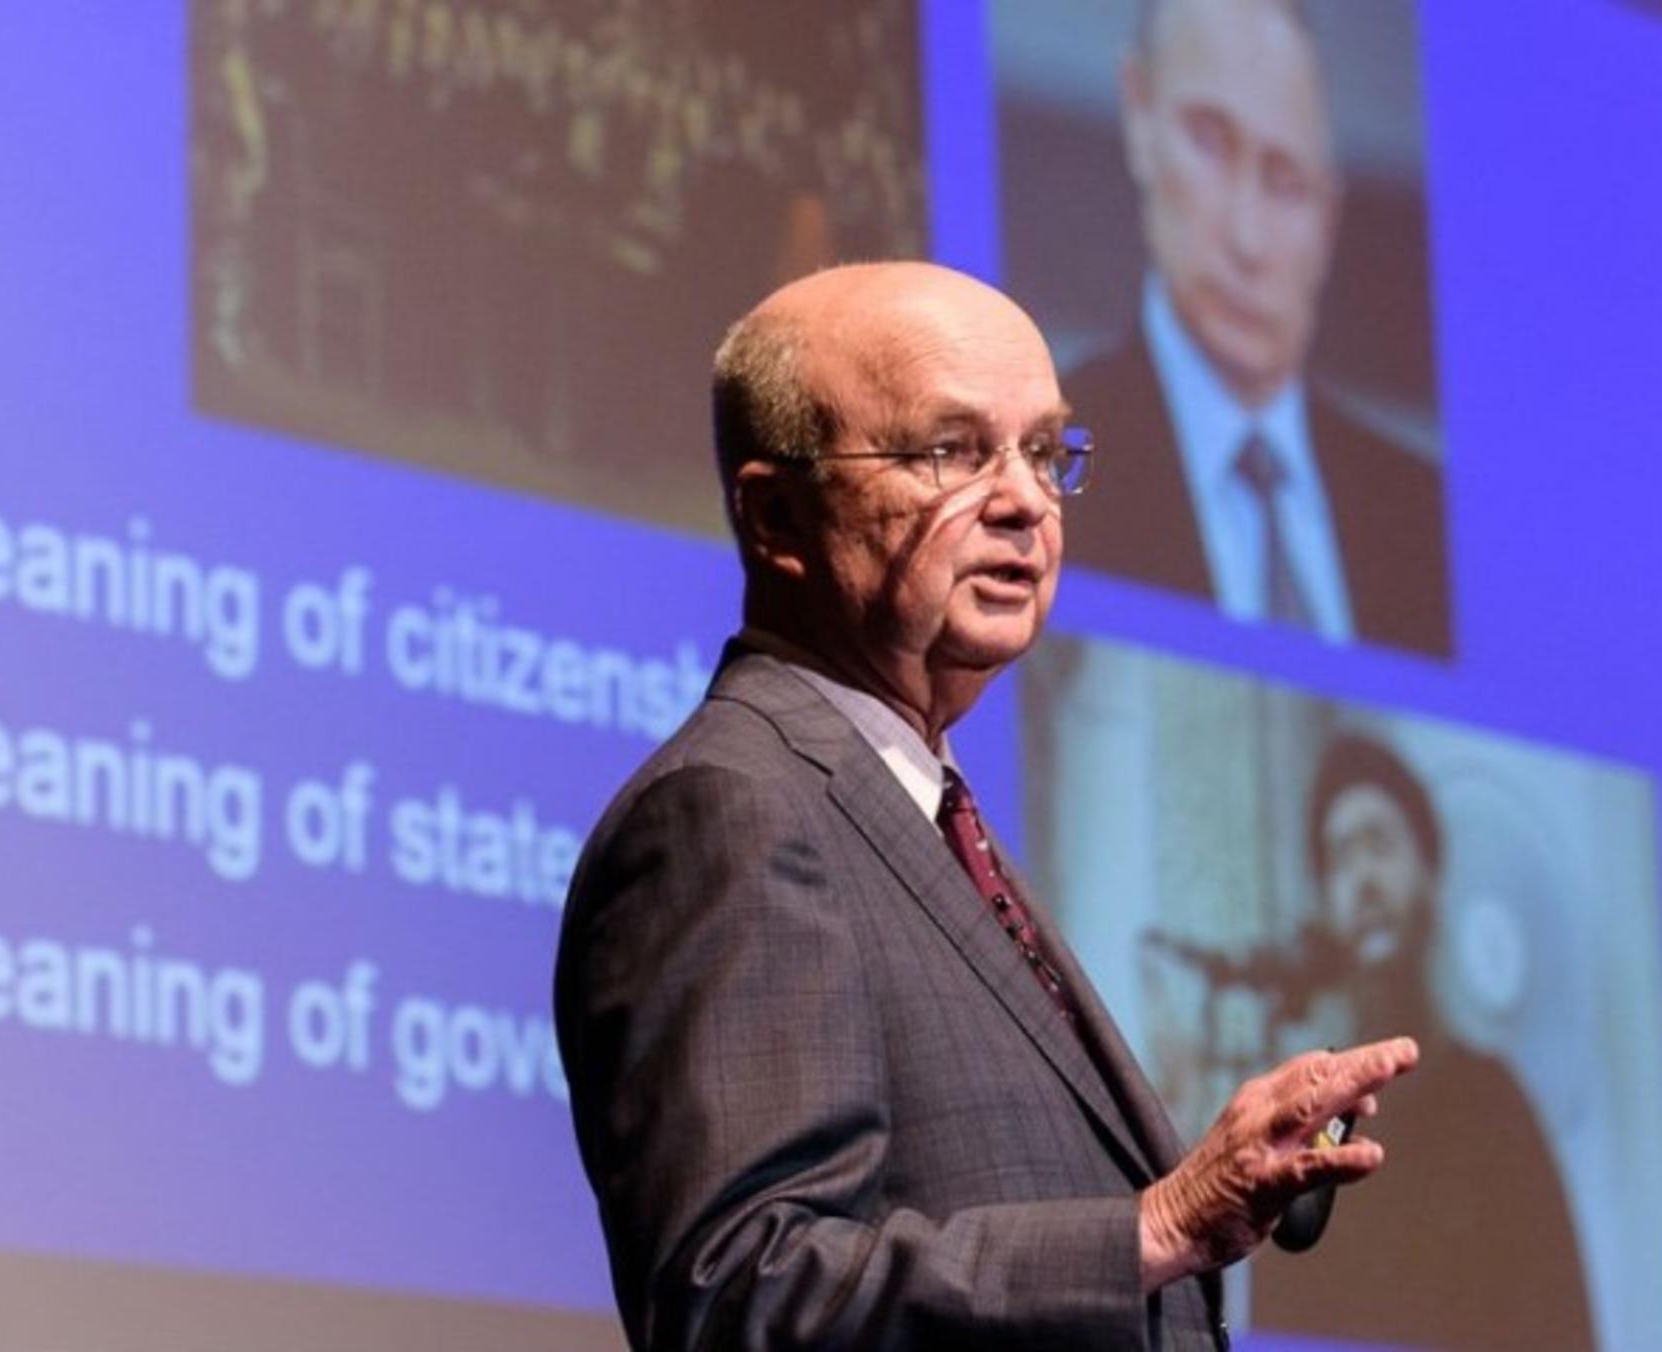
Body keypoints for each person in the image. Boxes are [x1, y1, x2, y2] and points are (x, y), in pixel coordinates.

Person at [555, 260, 1419, 1350]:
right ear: (777, 513)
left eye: (1045, 451)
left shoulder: (922, 813)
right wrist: (1157, 1224)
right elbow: (742, 1294)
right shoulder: (732, 812)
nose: (1022, 499)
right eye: (949, 451)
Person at [1061, 0, 1451, 657]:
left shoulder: (1422, 514)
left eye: (1287, 181)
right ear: (1139, 116)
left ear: (1329, 221)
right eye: (1210, 143)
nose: (1247, 238)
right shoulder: (1048, 461)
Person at [1249, 731, 1595, 1349]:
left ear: (1430, 873)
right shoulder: (1311, 1122)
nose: (1363, 879)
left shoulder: (1496, 1104)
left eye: (1378, 844)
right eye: (1339, 858)